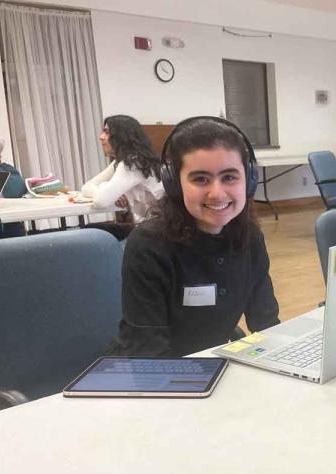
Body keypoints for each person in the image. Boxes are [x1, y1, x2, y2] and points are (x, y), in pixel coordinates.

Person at [110, 116, 279, 357]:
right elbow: (148, 352)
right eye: (200, 179)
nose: (217, 193)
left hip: (216, 362)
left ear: (249, 180)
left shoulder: (249, 237)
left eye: (230, 177)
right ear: (174, 184)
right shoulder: (149, 244)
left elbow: (267, 322)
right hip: (155, 374)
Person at [81, 114, 164, 240]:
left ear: (121, 136)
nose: (101, 137)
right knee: (90, 230)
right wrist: (111, 191)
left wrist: (108, 189)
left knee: (90, 234)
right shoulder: (121, 162)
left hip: (157, 234)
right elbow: (86, 187)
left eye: (107, 132)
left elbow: (101, 201)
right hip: (143, 227)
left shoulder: (133, 163)